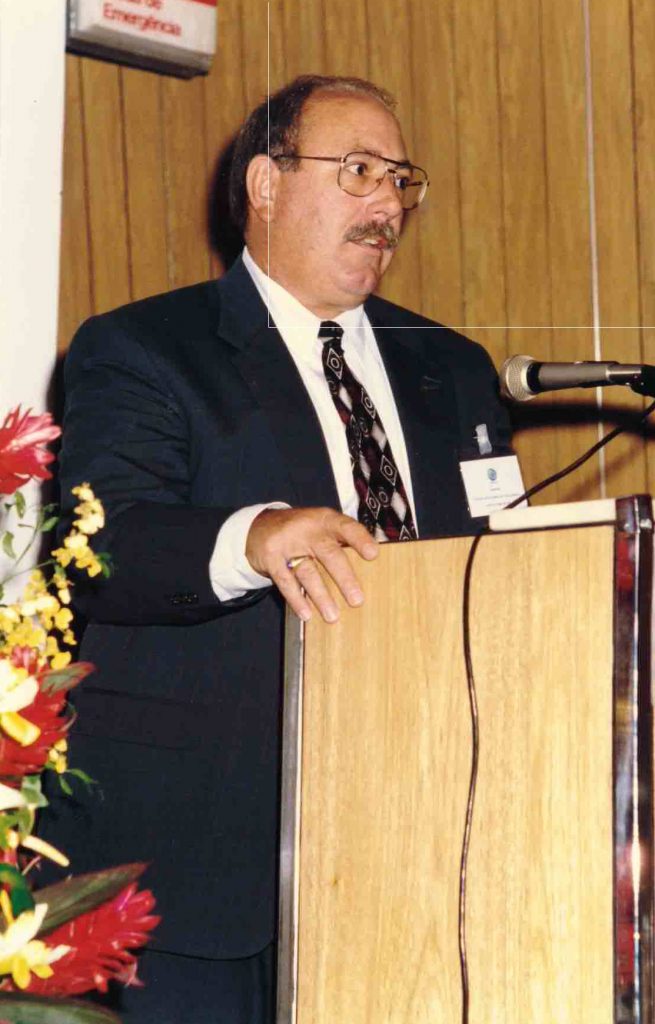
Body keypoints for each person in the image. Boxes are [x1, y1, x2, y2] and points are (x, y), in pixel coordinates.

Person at [44, 75, 512, 1022]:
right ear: (265, 183)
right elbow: (104, 549)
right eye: (358, 172)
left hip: (410, 844)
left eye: (399, 180)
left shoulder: (452, 367)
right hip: (195, 855)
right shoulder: (144, 348)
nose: (387, 204)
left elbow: (490, 561)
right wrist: (252, 537)